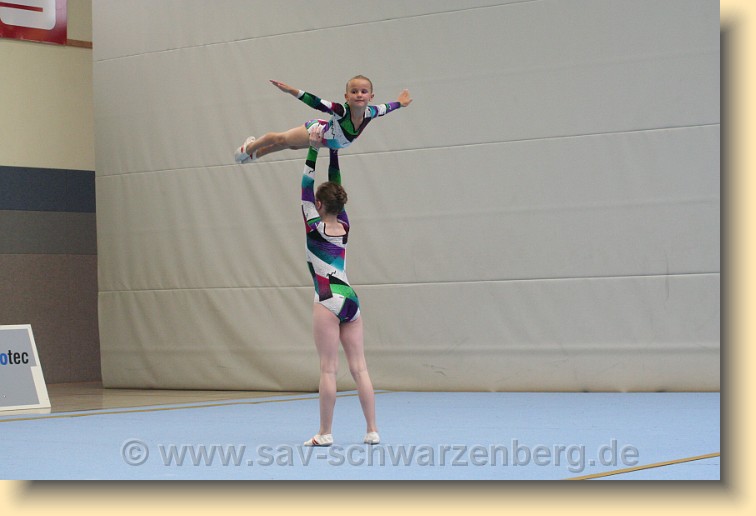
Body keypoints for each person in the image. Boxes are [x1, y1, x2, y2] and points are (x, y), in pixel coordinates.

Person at [300, 126, 379, 447]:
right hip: (350, 299)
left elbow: (306, 186)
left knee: (329, 370)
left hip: (327, 298)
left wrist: (313, 147)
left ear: (318, 204)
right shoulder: (344, 224)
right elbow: (333, 185)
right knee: (360, 368)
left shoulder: (313, 225)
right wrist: (334, 149)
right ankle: (372, 430)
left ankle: (325, 432)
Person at [234, 75, 412, 163]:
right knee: (281, 139)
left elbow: (388, 107)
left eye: (363, 92)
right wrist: (291, 91)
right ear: (346, 96)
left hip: (327, 141)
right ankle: (248, 148)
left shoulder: (371, 112)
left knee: (291, 146)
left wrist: (400, 103)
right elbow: (316, 102)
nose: (359, 94)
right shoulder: (341, 111)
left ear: (371, 97)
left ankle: (256, 155)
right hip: (317, 131)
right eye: (354, 91)